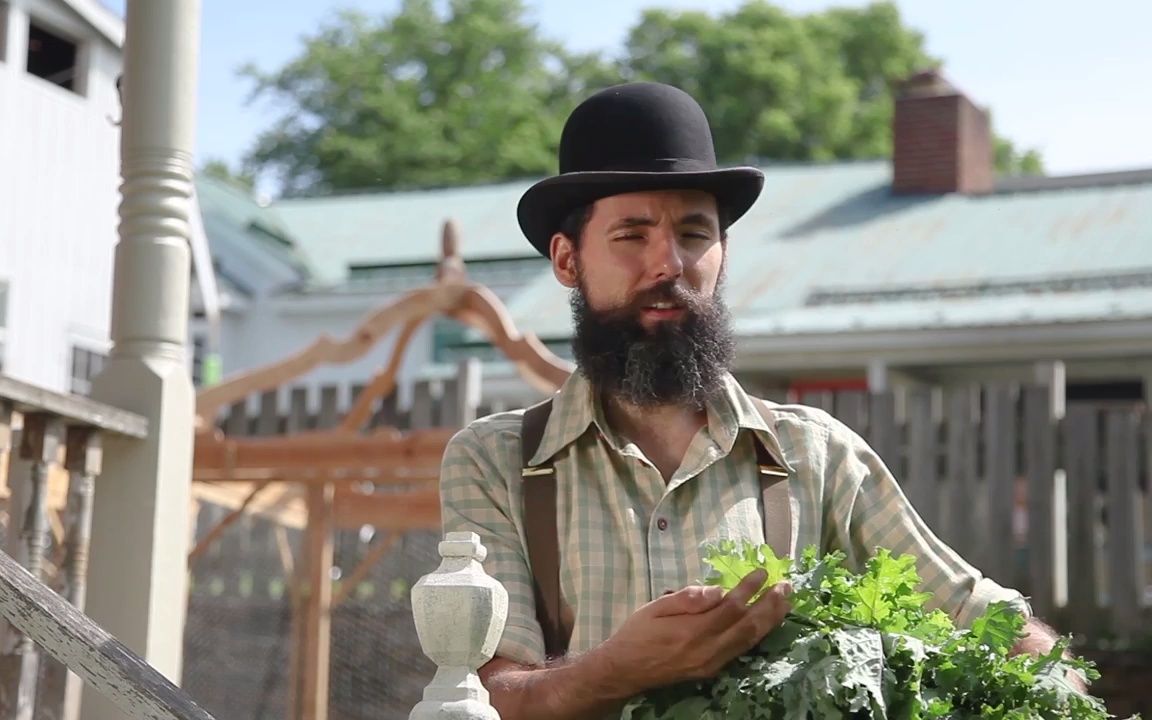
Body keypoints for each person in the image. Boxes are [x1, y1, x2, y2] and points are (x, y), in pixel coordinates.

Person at [438, 82, 1070, 720]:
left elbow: (977, 617)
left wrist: (1055, 683)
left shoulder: (815, 455)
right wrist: (616, 670)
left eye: (693, 233)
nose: (669, 264)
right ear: (568, 259)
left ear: (723, 254)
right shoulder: (497, 462)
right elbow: (485, 697)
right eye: (632, 235)